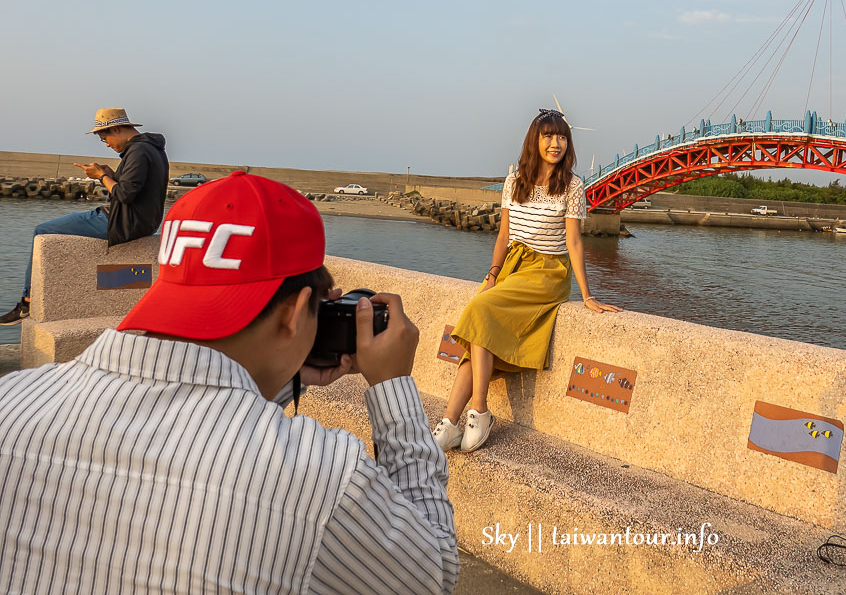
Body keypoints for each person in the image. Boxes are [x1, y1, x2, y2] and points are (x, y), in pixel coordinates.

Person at [0, 172, 459, 594]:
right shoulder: (321, 477)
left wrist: (274, 381)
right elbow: (432, 573)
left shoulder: (13, 401)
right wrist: (392, 388)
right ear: (298, 311)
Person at [433, 108, 621, 454]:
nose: (556, 143)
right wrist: (492, 273)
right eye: (549, 136)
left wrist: (588, 295)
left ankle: (480, 411)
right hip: (512, 267)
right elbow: (504, 234)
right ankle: (450, 422)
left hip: (548, 272)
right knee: (478, 334)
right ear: (534, 140)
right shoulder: (515, 180)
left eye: (562, 136)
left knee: (479, 311)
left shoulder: (573, 186)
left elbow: (575, 243)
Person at [1, 107, 169, 325]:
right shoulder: (153, 149)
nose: (107, 143)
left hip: (121, 222)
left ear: (117, 129)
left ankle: (27, 301)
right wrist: (111, 174)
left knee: (41, 230)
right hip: (143, 222)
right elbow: (134, 188)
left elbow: (126, 194)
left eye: (104, 137)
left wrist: (100, 176)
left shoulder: (138, 152)